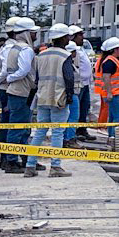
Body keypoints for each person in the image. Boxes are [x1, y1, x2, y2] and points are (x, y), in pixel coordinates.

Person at [28, 23, 77, 178]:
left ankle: (30, 165)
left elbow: (37, 78)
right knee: (57, 132)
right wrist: (69, 97)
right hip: (59, 99)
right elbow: (69, 78)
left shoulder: (41, 55)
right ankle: (55, 166)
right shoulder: (65, 56)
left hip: (42, 98)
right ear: (62, 38)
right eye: (67, 36)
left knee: (39, 132)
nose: (69, 39)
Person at [0, 16, 38, 173]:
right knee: (13, 125)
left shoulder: (15, 47)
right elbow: (9, 71)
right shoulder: (14, 48)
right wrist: (1, 81)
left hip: (20, 89)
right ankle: (9, 160)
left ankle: (25, 158)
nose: (35, 36)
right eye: (33, 32)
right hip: (14, 90)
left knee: (22, 126)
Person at [94, 36, 119, 143]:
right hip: (114, 94)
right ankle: (114, 138)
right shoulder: (110, 62)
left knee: (113, 117)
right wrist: (109, 93)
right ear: (114, 49)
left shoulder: (114, 60)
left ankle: (111, 137)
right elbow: (106, 78)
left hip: (117, 93)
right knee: (118, 117)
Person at [67, 26, 95, 143]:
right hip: (77, 85)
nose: (82, 37)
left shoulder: (81, 49)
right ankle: (72, 134)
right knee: (75, 111)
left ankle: (82, 129)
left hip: (85, 84)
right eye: (80, 35)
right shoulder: (72, 51)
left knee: (84, 108)